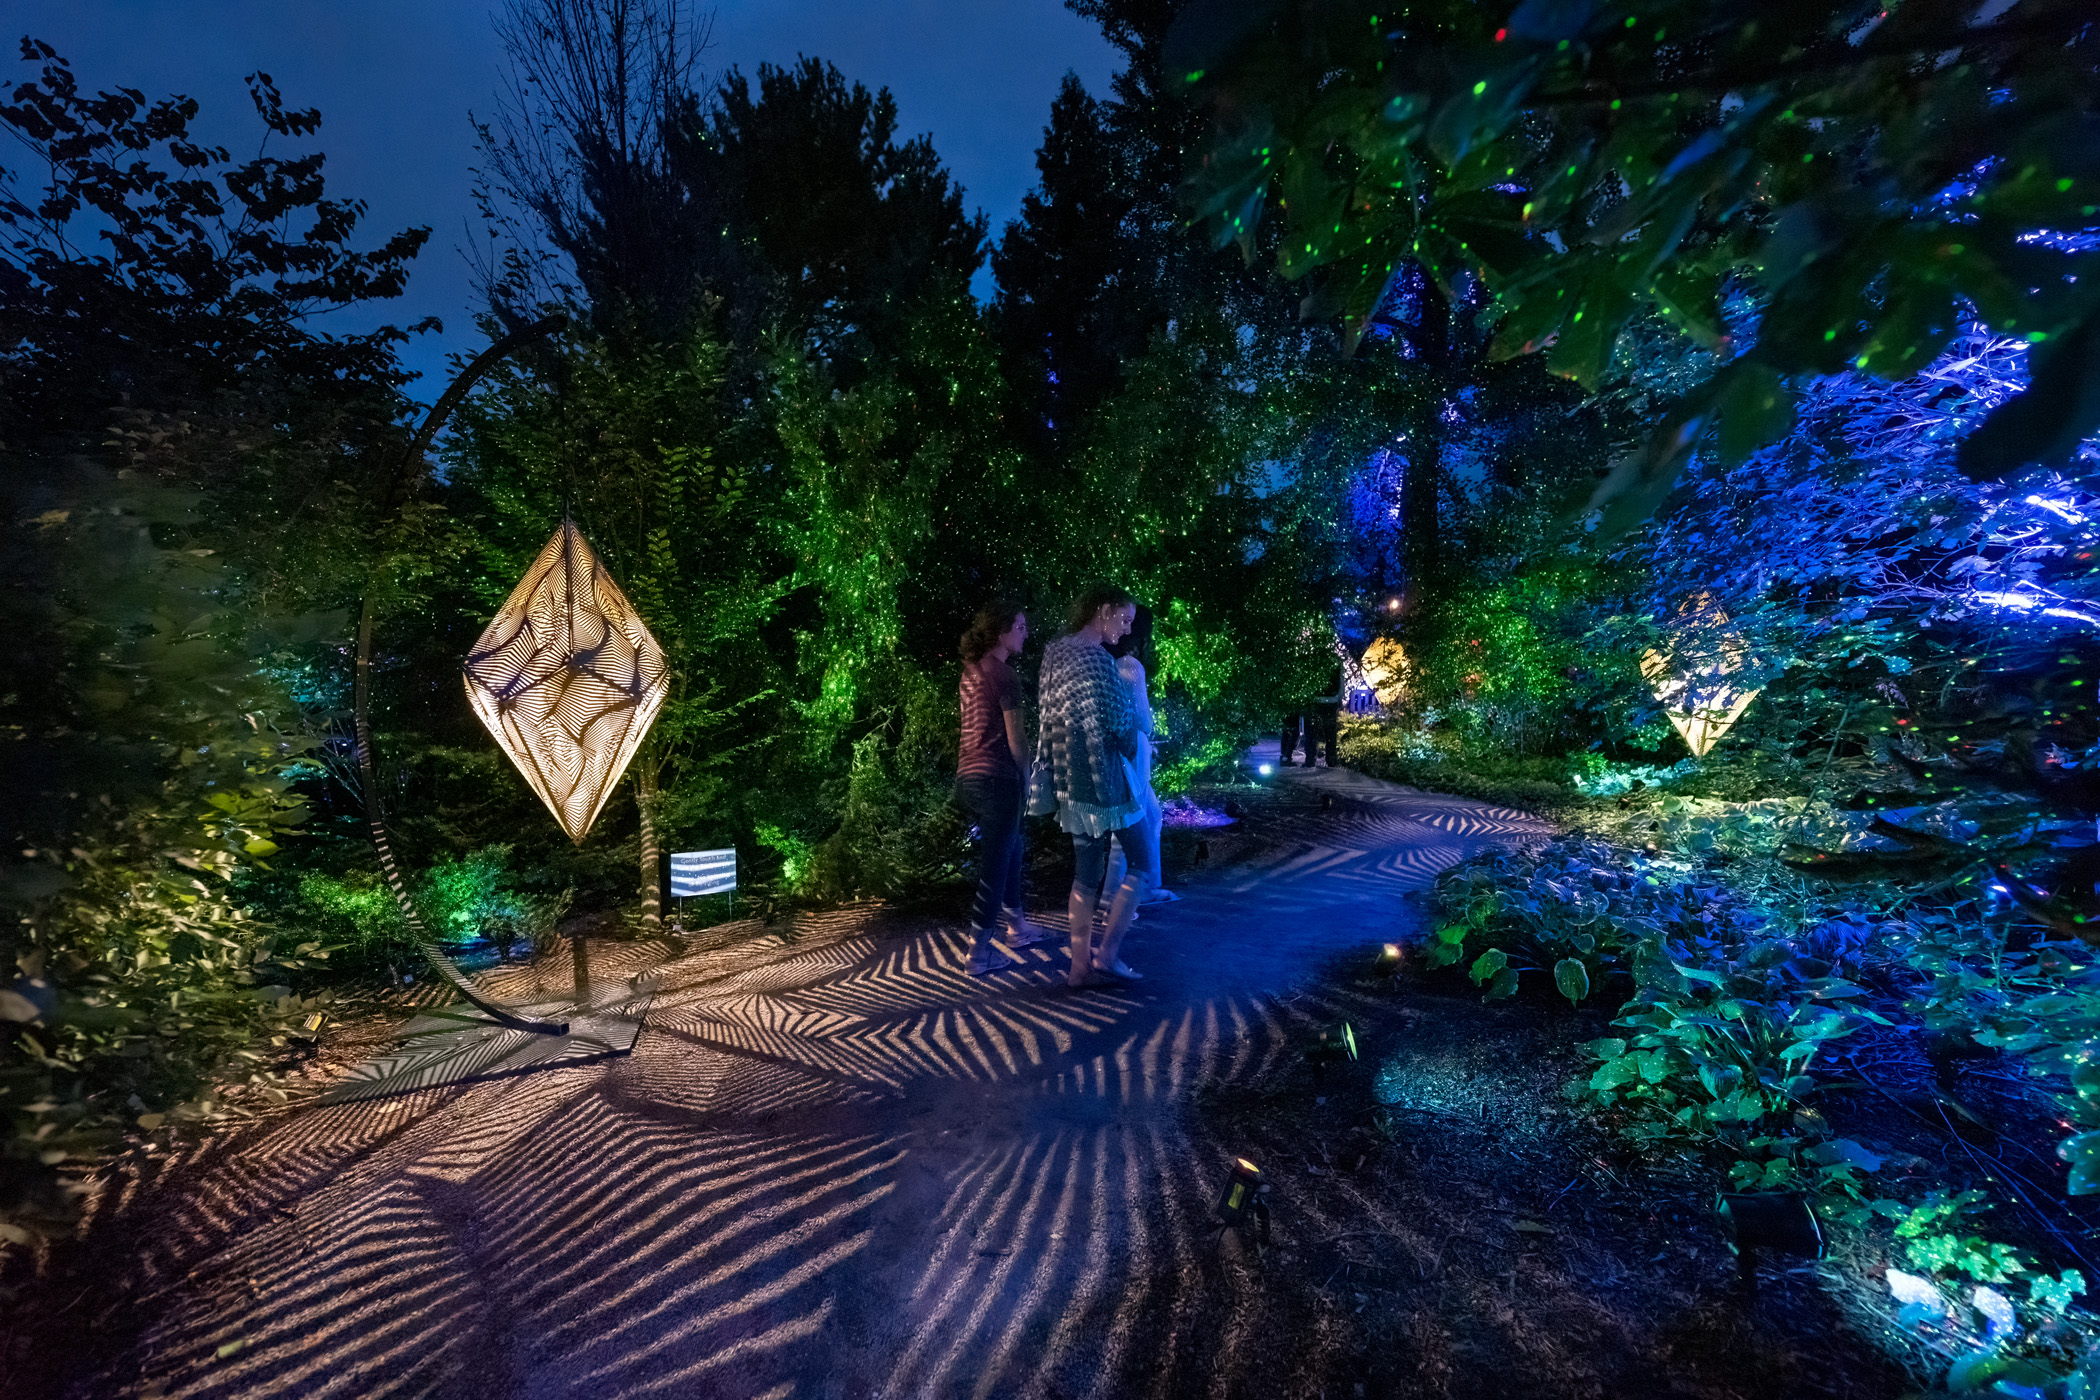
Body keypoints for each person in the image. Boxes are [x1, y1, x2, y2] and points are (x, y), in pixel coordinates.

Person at [1036, 585, 1154, 987]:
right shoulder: (1098, 661)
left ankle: (1078, 966)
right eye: (1123, 619)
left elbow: (1047, 714)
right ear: (1103, 611)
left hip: (1071, 781)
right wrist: (1136, 711)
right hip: (1106, 784)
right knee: (1141, 861)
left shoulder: (1055, 653)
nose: (1125, 630)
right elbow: (1125, 727)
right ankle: (1107, 954)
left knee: (1086, 870)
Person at [953, 600, 1051, 975]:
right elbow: (1017, 738)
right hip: (998, 778)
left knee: (1011, 848)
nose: (1026, 634)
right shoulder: (1005, 675)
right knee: (996, 864)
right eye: (1021, 627)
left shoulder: (971, 672)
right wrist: (1027, 776)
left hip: (969, 776)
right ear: (1001, 632)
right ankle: (978, 955)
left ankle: (1018, 927)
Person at [1105, 606, 1177, 908]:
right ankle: (1124, 892)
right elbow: (1143, 718)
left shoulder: (1107, 663)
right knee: (1136, 817)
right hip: (1133, 748)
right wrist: (1148, 735)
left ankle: (1140, 887)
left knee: (1147, 815)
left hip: (1121, 747)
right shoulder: (1130, 666)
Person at [1303, 662, 1344, 767]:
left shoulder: (1312, 661)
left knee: (1311, 732)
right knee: (1330, 732)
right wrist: (1339, 699)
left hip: (1315, 700)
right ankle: (1331, 760)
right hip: (1331, 700)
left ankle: (1310, 759)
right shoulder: (1336, 662)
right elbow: (1341, 682)